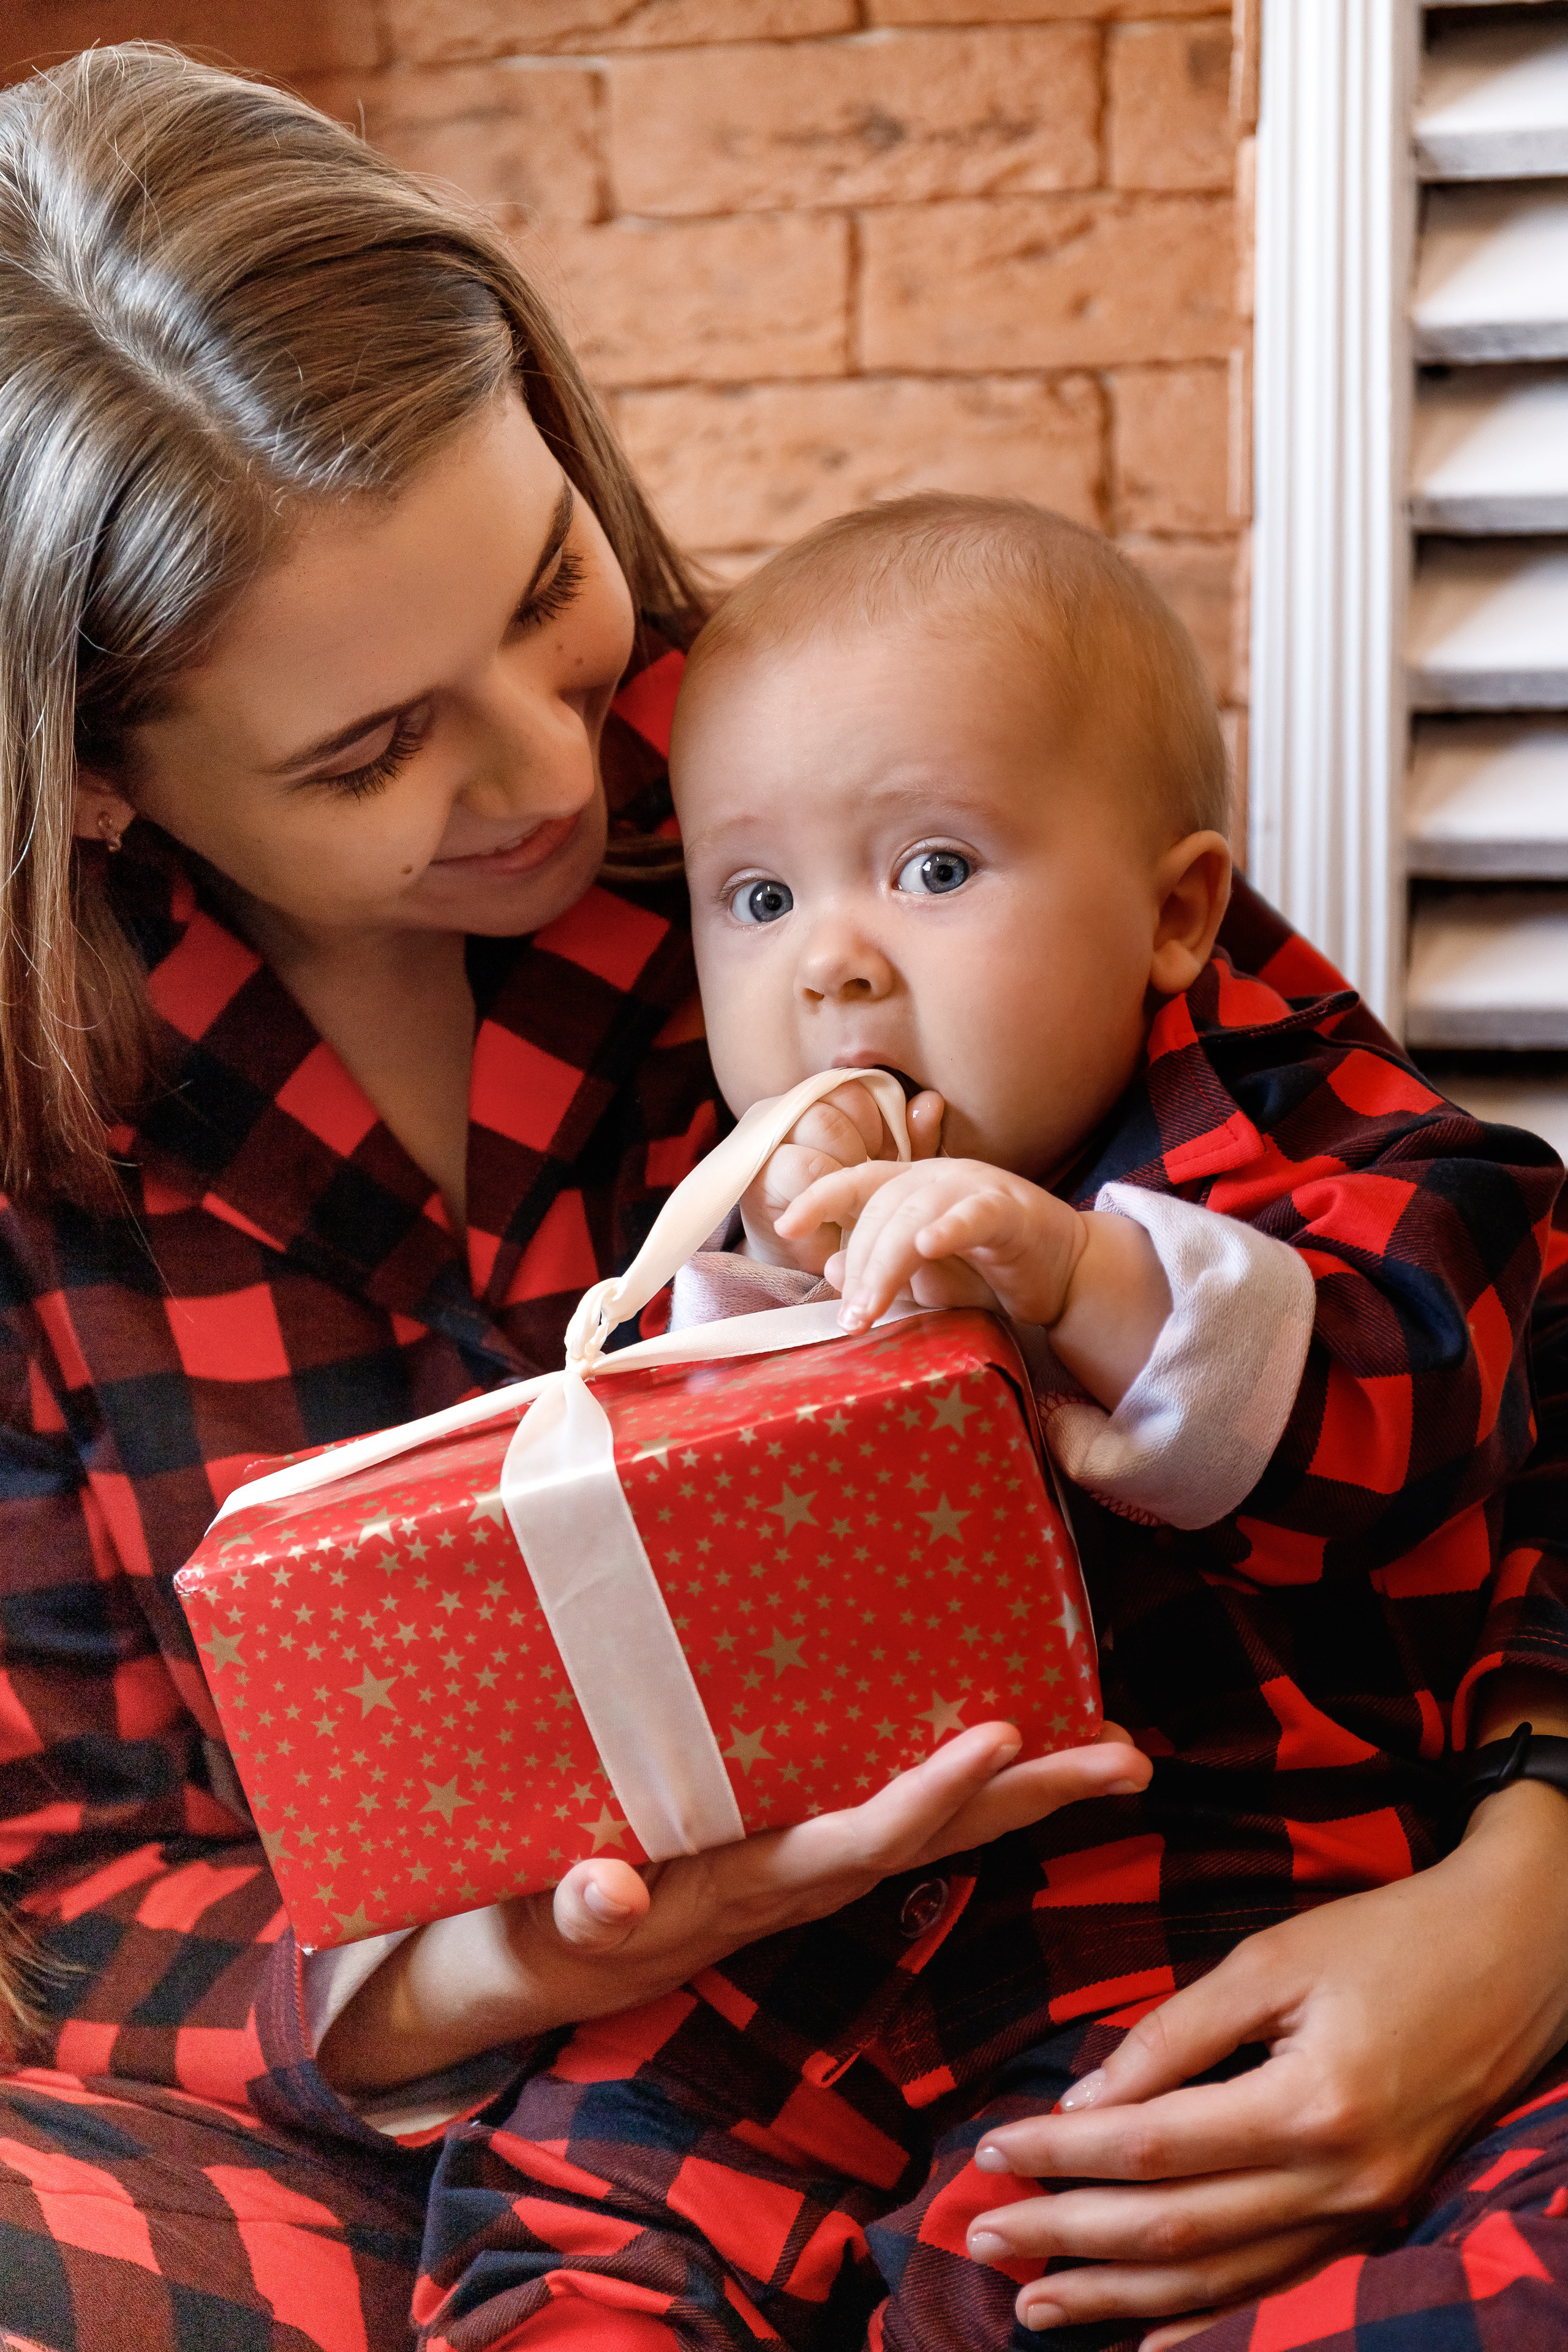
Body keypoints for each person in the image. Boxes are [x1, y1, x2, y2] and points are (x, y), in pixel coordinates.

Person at [0, 40, 1562, 2352]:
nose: (560, 772)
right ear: (102, 786)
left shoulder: (861, 787)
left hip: (1159, 1995)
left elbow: (1443, 1331)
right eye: (369, 752)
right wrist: (543, 1955)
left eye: (547, 586)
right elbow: (65, 1882)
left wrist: (1525, 1905)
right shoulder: (59, 1151)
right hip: (478, 2135)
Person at [415, 497, 1568, 2352]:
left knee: (1067, 2229)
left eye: (935, 869)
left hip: (1186, 1897)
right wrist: (763, 1309)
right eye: (760, 898)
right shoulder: (703, 1227)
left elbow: (1383, 1412)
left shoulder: (1364, 1171)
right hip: (813, 1951)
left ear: (1179, 913)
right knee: (566, 2195)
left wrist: (1076, 1279)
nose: (835, 968)